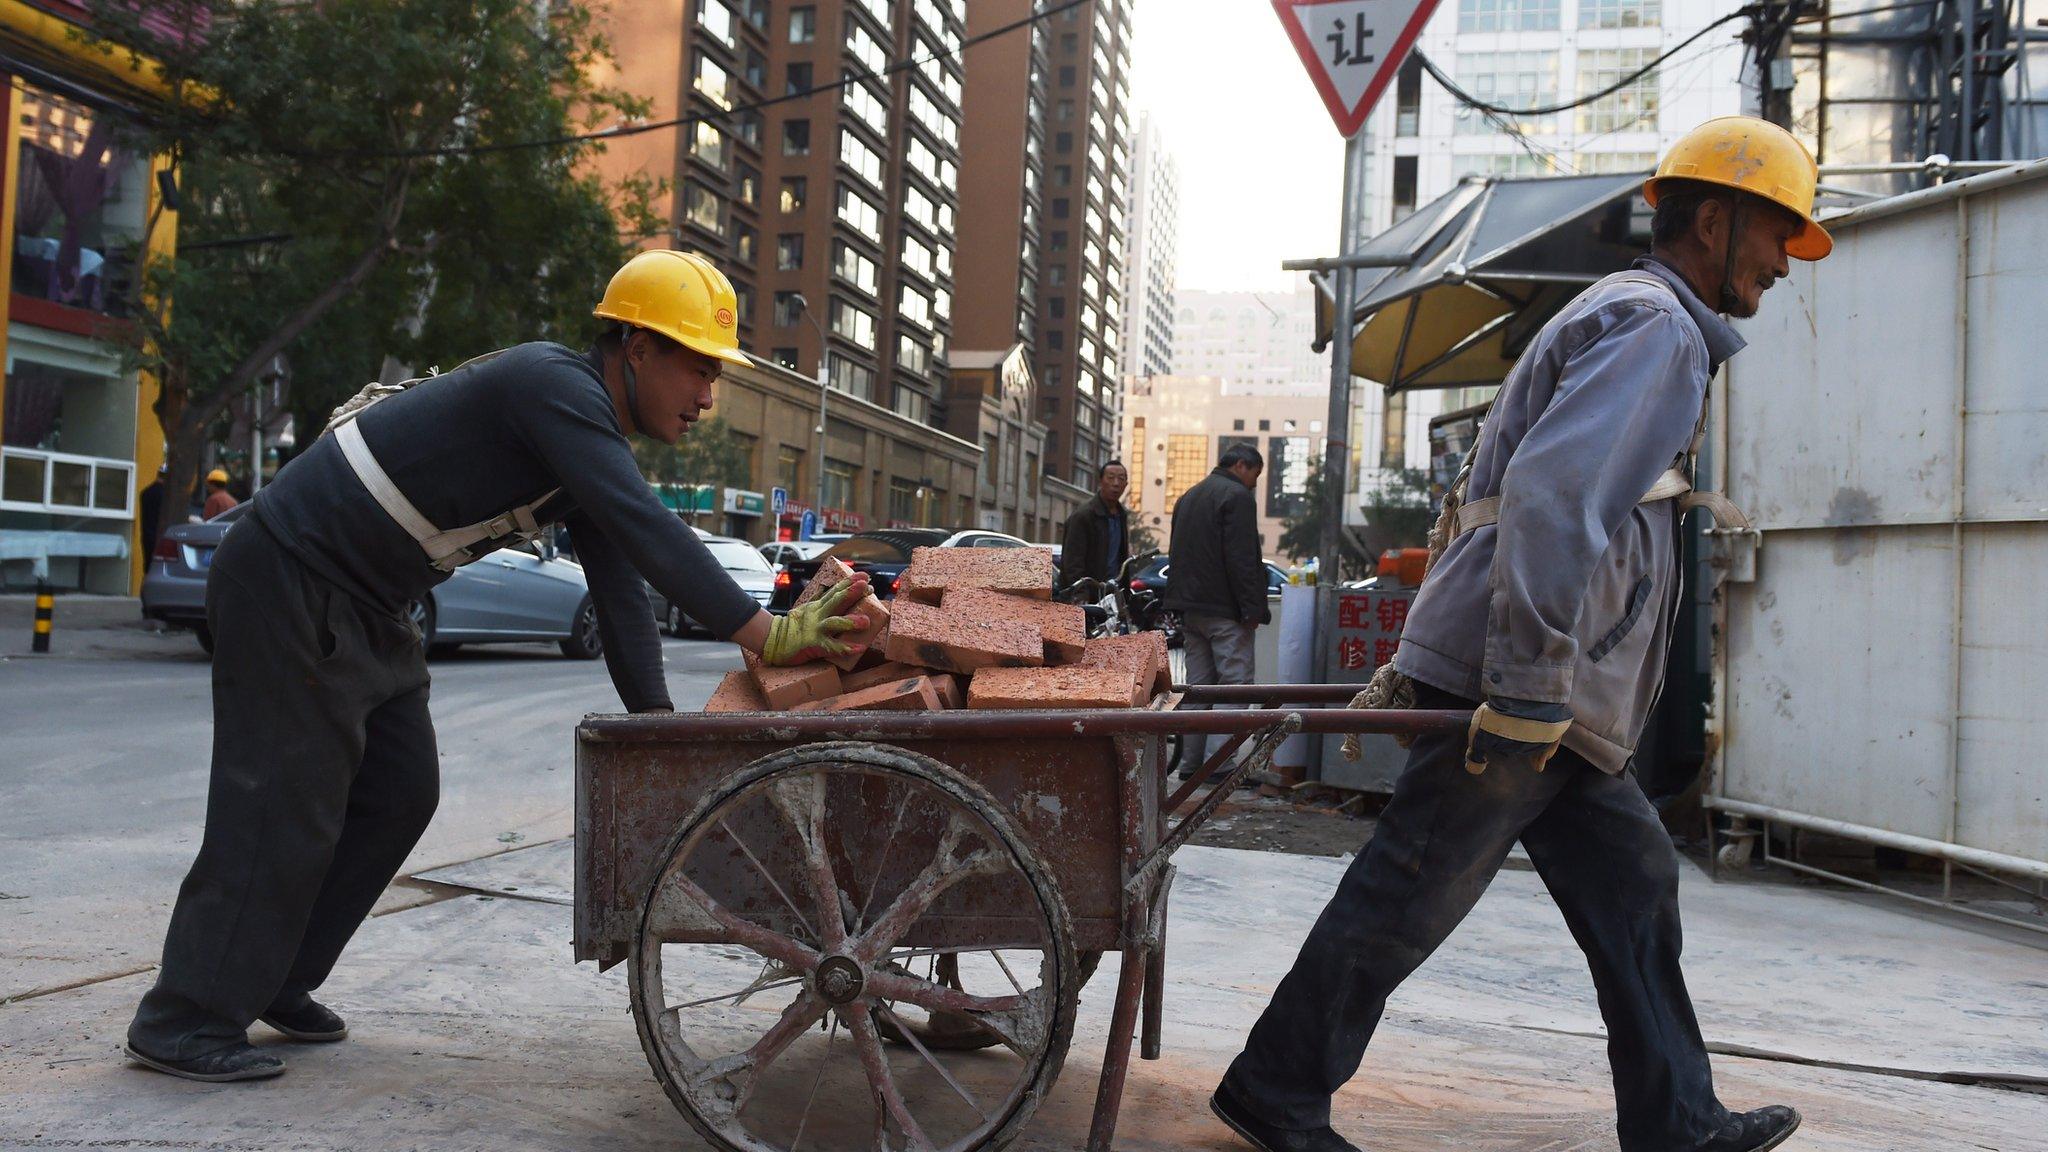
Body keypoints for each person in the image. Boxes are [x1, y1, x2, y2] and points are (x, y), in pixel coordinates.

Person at [1209, 117, 1829, 1152]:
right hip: (1520, 681)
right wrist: (1529, 687)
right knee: (1413, 885)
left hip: (1546, 686)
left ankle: (1675, 1119)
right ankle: (1275, 1087)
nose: (1783, 261)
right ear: (1713, 221)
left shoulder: (1638, 317)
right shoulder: (1655, 328)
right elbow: (1553, 498)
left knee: (1633, 880)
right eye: (1774, 233)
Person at [123, 250, 870, 1084]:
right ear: (635, 347)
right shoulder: (551, 386)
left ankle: (275, 979)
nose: (706, 397)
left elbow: (622, 585)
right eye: (698, 368)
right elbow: (649, 524)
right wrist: (765, 634)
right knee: (279, 804)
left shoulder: (582, 433)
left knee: (401, 790)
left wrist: (656, 724)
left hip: (369, 604)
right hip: (291, 577)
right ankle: (184, 1017)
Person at [1164, 441, 1270, 780]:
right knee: (1235, 686)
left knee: (1199, 689)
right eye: (1254, 475)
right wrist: (1252, 609)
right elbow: (1242, 559)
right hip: (1225, 609)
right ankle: (1219, 764)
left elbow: (1177, 553)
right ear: (1242, 465)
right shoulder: (1236, 497)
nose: (1253, 484)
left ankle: (1191, 764)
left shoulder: (1188, 497)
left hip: (1191, 609)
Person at [1057, 459, 1130, 594]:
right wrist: (1080, 593)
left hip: (1112, 592)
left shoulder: (1122, 515)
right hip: (1087, 594)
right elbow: (1072, 562)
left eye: (1121, 479)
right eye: (1110, 478)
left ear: (1126, 484)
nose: (1116, 483)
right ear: (1100, 481)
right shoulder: (1084, 516)